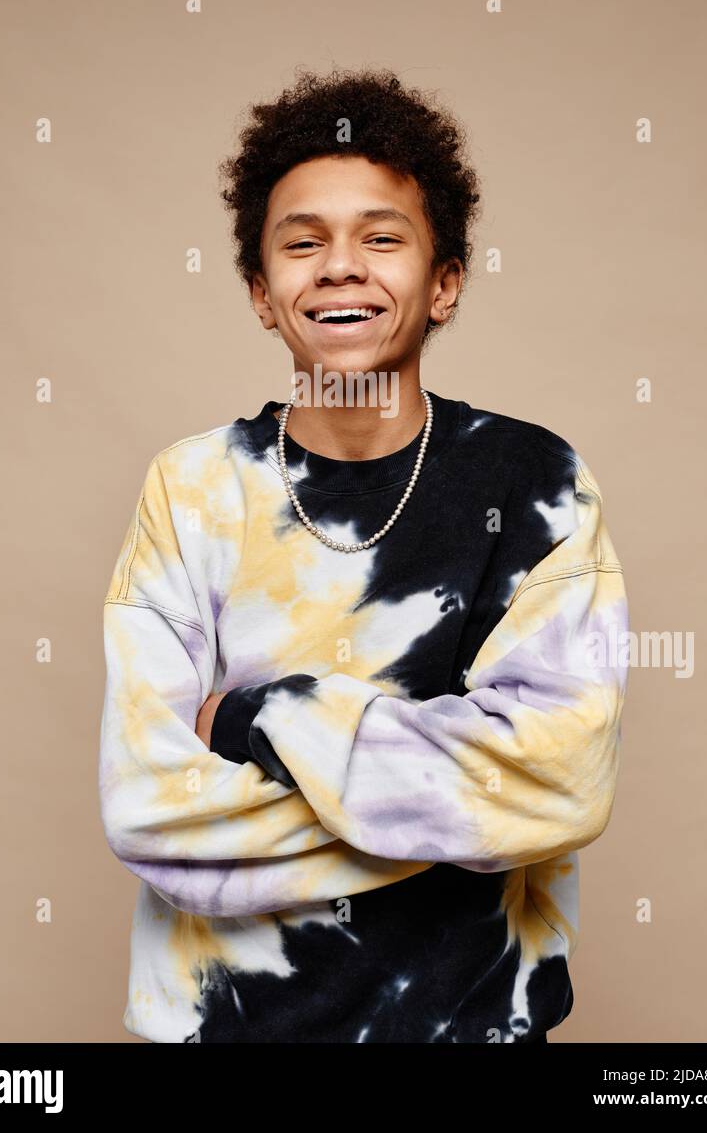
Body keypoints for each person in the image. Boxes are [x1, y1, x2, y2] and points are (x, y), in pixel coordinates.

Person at [98, 67, 630, 1043]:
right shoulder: (191, 487)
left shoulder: (534, 483)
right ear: (262, 292)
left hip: (473, 1027)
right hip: (225, 1028)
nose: (340, 266)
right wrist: (451, 803)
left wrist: (263, 714)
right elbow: (148, 808)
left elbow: (561, 780)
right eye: (302, 243)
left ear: (445, 280)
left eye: (381, 237)